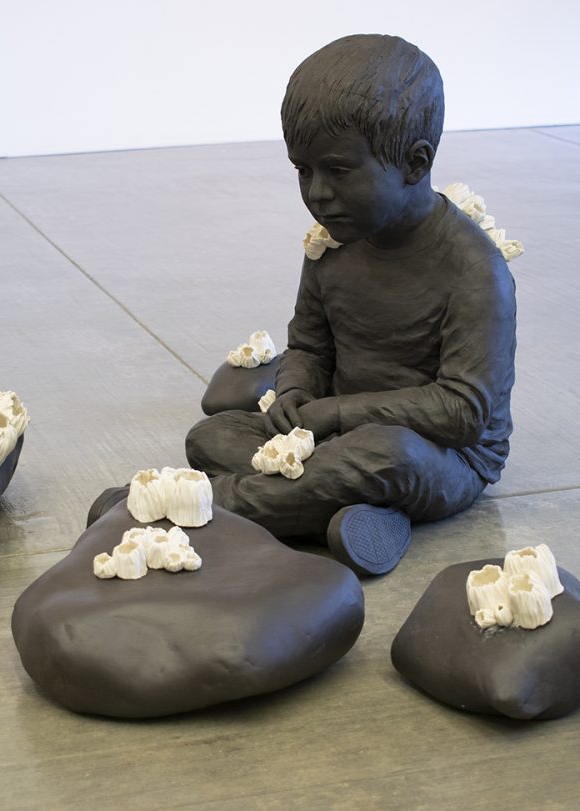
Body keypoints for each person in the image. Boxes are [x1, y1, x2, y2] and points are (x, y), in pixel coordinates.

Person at [184, 34, 517, 575]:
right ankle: (350, 513)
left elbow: (463, 413)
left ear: (415, 163)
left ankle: (205, 507)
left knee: (389, 457)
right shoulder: (332, 244)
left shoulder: (474, 270)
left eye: (338, 171)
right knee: (209, 436)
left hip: (442, 455)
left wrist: (337, 412)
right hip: (330, 434)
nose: (316, 192)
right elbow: (309, 346)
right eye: (302, 170)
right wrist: (295, 392)